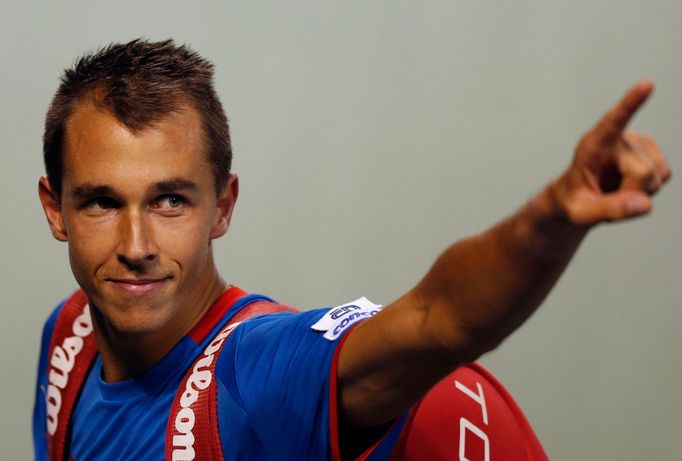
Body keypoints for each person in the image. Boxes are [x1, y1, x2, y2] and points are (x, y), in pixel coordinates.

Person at [32, 38, 671, 460]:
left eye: (171, 200)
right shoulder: (69, 340)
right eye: (101, 202)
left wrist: (554, 217)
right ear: (55, 209)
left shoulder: (253, 382)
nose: (136, 245)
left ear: (222, 206)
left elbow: (437, 321)